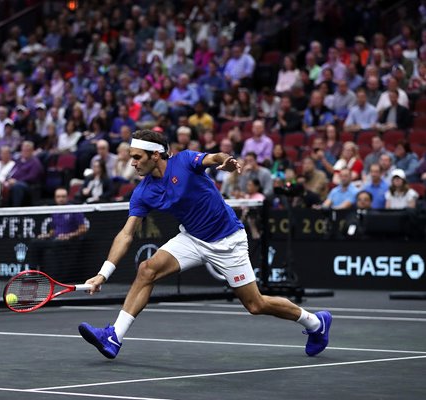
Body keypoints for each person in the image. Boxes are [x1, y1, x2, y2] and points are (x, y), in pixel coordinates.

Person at [77, 130, 332, 359]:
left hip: (228, 240)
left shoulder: (185, 161)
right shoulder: (143, 192)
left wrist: (226, 161)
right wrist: (103, 274)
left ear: (155, 155)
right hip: (192, 238)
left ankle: (315, 323)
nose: (131, 162)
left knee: (256, 305)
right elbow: (126, 234)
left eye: (136, 156)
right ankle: (114, 336)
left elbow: (213, 158)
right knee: (147, 270)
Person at [31, 187, 88, 280]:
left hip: (69, 241)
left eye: (63, 196)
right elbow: (54, 230)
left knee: (57, 243)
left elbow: (83, 229)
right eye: (58, 197)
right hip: (55, 239)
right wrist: (47, 235)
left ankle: (56, 277)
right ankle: (33, 275)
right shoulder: (55, 210)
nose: (61, 199)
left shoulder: (74, 209)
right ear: (55, 198)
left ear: (67, 197)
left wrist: (68, 235)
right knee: (35, 243)